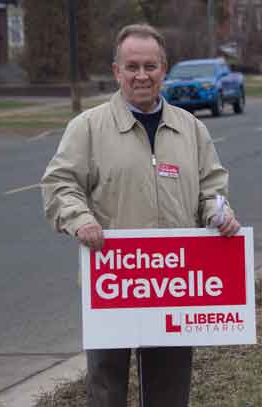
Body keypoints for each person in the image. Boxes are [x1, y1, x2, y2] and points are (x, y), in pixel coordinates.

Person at [41, 24, 240, 407]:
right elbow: (60, 184)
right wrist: (79, 218)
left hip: (174, 285)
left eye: (151, 66)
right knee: (106, 389)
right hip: (112, 284)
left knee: (170, 388)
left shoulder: (191, 129)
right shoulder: (88, 128)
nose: (141, 75)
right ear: (116, 71)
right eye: (132, 66)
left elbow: (212, 188)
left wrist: (219, 213)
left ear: (163, 69)